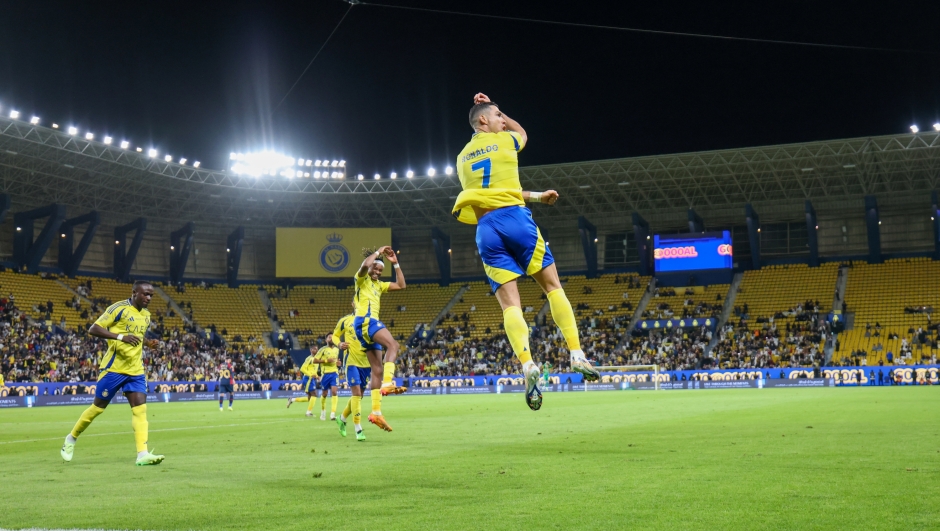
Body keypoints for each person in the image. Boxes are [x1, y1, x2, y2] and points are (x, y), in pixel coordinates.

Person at [451, 93, 600, 411]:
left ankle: (527, 364)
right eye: (497, 116)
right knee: (552, 286)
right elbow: (523, 135)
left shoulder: (461, 159)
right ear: (483, 121)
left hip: (486, 230)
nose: (502, 121)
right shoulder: (505, 140)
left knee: (510, 306)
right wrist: (502, 109)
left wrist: (534, 195)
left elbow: (488, 193)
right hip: (516, 219)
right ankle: (576, 353)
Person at [60, 280, 164, 466]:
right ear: (134, 292)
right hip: (113, 369)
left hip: (136, 370)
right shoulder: (119, 309)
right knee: (97, 409)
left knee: (140, 409)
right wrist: (121, 337)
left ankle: (142, 454)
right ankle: (71, 439)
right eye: (145, 294)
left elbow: (137, 336)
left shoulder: (146, 316)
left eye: (151, 295)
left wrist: (148, 343)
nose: (148, 298)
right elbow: (93, 328)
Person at [353, 247, 407, 433]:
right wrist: (377, 252)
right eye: (375, 269)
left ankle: (376, 412)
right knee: (393, 345)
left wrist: (395, 263)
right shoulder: (361, 279)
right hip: (366, 321)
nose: (376, 271)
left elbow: (401, 285)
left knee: (377, 369)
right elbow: (365, 265)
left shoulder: (379, 285)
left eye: (379, 270)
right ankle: (388, 382)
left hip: (366, 327)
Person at [332, 310, 369, 441]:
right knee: (357, 394)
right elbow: (335, 336)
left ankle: (341, 418)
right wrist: (339, 344)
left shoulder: (370, 319)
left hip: (366, 363)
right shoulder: (345, 320)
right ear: (353, 304)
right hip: (351, 362)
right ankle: (358, 429)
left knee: (359, 395)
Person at [312, 337, 341, 421]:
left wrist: (338, 364)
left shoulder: (336, 349)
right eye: (329, 337)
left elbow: (336, 361)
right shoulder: (322, 349)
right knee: (324, 393)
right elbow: (314, 360)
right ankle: (323, 411)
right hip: (325, 374)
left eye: (332, 337)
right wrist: (326, 361)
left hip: (334, 373)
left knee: (334, 392)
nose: (331, 338)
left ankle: (333, 414)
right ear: (326, 340)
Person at [287, 346, 320, 417]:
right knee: (314, 394)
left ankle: (292, 399)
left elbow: (313, 370)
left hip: (311, 379)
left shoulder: (316, 360)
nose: (316, 350)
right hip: (308, 378)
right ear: (311, 350)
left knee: (310, 398)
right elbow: (302, 369)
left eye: (317, 349)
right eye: (314, 349)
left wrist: (317, 376)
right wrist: (311, 375)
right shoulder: (309, 358)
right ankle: (308, 412)